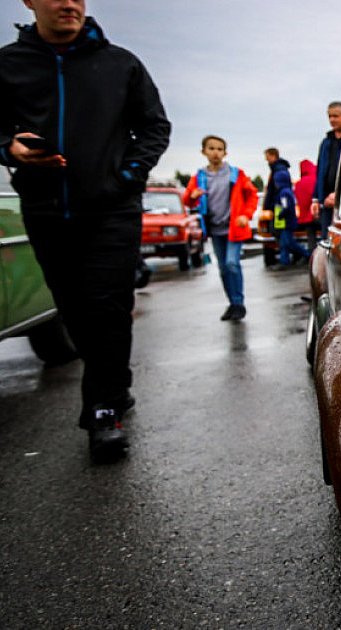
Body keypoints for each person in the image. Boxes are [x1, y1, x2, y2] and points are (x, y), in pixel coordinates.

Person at [0, 0, 171, 459]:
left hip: (111, 212)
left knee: (107, 306)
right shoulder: (9, 65)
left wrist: (127, 177)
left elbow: (154, 127)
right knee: (74, 309)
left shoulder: (121, 65)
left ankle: (103, 410)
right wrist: (10, 148)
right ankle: (115, 387)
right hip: (45, 209)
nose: (69, 4)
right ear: (30, 2)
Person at [184, 135, 258, 322]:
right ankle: (232, 303)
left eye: (219, 149)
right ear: (203, 152)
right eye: (211, 148)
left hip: (234, 228)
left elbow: (252, 196)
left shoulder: (235, 174)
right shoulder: (200, 176)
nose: (215, 152)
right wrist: (192, 196)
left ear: (225, 153)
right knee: (223, 268)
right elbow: (187, 199)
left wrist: (245, 215)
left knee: (232, 263)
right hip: (215, 230)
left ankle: (239, 303)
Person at [313, 101, 341, 240]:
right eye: (329, 116)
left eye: (335, 116)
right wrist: (316, 199)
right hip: (326, 205)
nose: (332, 120)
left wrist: (340, 194)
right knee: (326, 240)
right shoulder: (326, 143)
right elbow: (320, 172)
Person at [267, 168, 309, 269]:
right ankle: (284, 261)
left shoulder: (284, 193)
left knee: (288, 243)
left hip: (287, 222)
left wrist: (280, 215)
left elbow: (286, 207)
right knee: (285, 243)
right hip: (289, 222)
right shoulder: (287, 191)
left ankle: (307, 255)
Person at [294, 159, 318, 251]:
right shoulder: (316, 180)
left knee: (311, 238)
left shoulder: (298, 184)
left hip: (305, 218)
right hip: (317, 214)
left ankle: (311, 255)